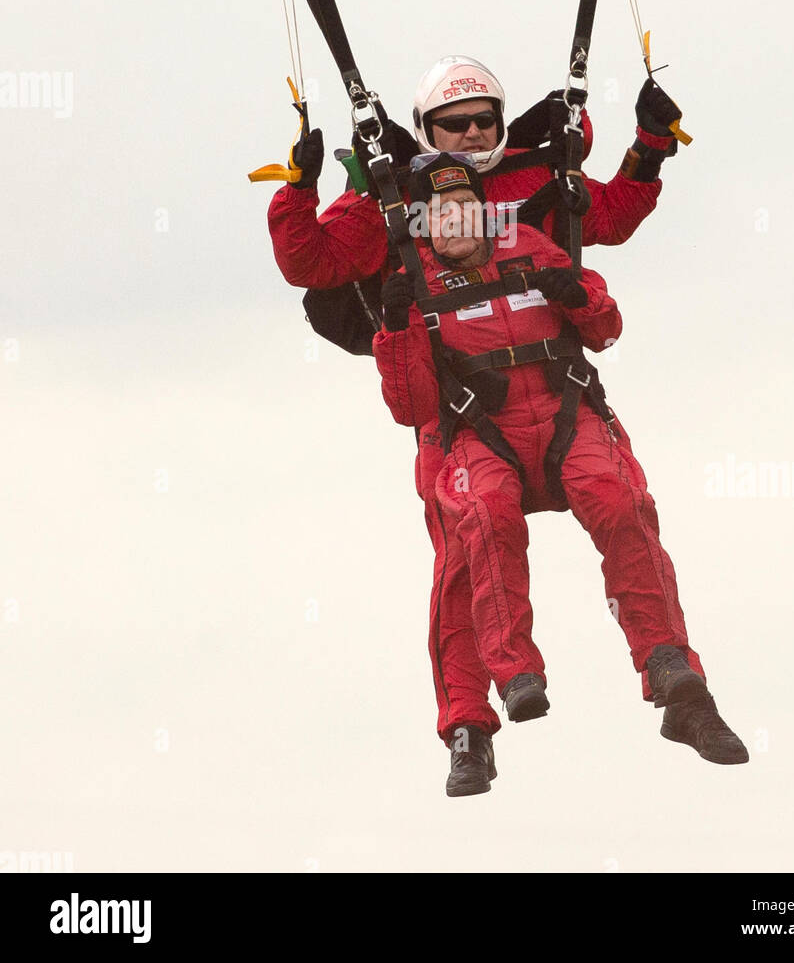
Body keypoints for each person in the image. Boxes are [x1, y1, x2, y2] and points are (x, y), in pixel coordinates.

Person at [268, 55, 682, 794]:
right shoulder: (395, 198)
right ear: (426, 129)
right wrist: (301, 189)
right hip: (456, 412)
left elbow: (608, 215)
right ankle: (469, 728)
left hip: (550, 397)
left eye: (482, 122)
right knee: (466, 558)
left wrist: (648, 147)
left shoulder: (536, 178)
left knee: (623, 507)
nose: (468, 136)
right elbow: (314, 261)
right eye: (452, 125)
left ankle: (671, 674)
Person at [372, 153, 749, 788]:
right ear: (422, 223)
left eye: (466, 205)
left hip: (564, 410)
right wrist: (395, 327)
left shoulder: (531, 247)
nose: (455, 219)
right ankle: (515, 673)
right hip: (479, 433)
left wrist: (578, 296)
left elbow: (606, 329)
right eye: (440, 212)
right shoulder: (415, 286)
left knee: (619, 500)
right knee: (486, 519)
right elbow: (409, 405)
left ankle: (665, 662)